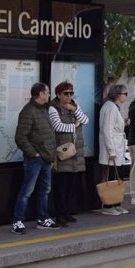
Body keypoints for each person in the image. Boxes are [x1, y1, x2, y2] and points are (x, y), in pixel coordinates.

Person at [12, 82, 60, 234]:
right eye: (47, 92)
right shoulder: (28, 111)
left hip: (46, 157)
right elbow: (20, 137)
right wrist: (34, 153)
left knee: (45, 190)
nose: (49, 95)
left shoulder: (43, 110)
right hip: (36, 158)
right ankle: (17, 221)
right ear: (40, 94)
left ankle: (43, 218)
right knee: (27, 190)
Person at [48, 81, 89, 227]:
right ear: (58, 94)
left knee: (71, 185)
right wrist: (74, 125)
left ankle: (67, 213)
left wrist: (74, 109)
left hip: (75, 152)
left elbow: (86, 119)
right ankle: (60, 215)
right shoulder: (53, 108)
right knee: (61, 186)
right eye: (66, 93)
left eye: (71, 93)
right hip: (62, 152)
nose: (69, 96)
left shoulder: (74, 105)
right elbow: (57, 126)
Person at [98, 84, 129, 216]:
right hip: (112, 147)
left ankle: (116, 203)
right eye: (124, 94)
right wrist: (111, 150)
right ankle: (108, 204)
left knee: (118, 176)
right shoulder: (110, 107)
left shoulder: (114, 107)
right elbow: (107, 129)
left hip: (117, 146)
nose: (126, 96)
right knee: (111, 177)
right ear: (118, 95)